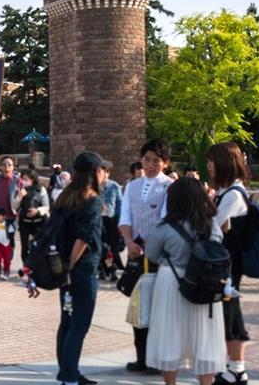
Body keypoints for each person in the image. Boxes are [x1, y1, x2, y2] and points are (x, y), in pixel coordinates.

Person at [144, 177, 226, 385]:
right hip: (204, 282)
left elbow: (152, 254)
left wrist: (168, 259)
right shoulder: (212, 226)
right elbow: (217, 251)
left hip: (172, 281)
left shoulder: (164, 228)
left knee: (169, 335)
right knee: (205, 339)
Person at [48, 152, 107, 385]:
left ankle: (68, 371)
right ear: (95, 173)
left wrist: (64, 270)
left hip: (65, 268)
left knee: (67, 321)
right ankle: (69, 375)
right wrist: (71, 268)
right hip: (80, 270)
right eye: (103, 169)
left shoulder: (65, 196)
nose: (104, 174)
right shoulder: (92, 200)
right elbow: (83, 238)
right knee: (79, 324)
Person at [119, 139, 174, 374]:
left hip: (158, 256)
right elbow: (125, 217)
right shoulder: (132, 186)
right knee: (138, 304)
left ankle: (156, 358)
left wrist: (152, 245)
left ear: (166, 163)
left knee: (157, 306)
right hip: (135, 251)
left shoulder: (169, 186)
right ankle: (141, 356)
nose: (150, 165)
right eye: (147, 159)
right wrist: (129, 241)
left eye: (156, 161)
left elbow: (166, 219)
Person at [207, 143, 252, 385]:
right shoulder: (226, 192)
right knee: (228, 315)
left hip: (229, 266)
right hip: (225, 264)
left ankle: (237, 370)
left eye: (212, 161)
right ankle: (233, 368)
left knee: (232, 315)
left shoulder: (234, 194)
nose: (209, 166)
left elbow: (212, 227)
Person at [0, 157, 22, 279]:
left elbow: (21, 197)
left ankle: (7, 262)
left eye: (10, 164)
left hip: (11, 216)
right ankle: (0, 263)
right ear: (0, 166)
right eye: (4, 164)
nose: (7, 166)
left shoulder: (17, 180)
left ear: (13, 167)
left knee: (9, 242)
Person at [17, 168, 51, 269]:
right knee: (25, 247)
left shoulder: (40, 190)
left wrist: (37, 211)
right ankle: (26, 268)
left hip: (39, 222)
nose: (24, 181)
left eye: (26, 179)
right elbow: (14, 207)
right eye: (22, 179)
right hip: (24, 222)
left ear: (32, 179)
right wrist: (19, 197)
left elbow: (47, 206)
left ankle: (39, 268)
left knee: (39, 245)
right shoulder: (21, 190)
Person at [98, 162, 124, 280]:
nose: (104, 174)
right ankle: (102, 269)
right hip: (98, 220)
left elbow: (119, 204)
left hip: (111, 219)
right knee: (100, 246)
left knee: (112, 247)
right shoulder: (94, 186)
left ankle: (112, 270)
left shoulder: (114, 186)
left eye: (106, 172)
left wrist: (120, 222)